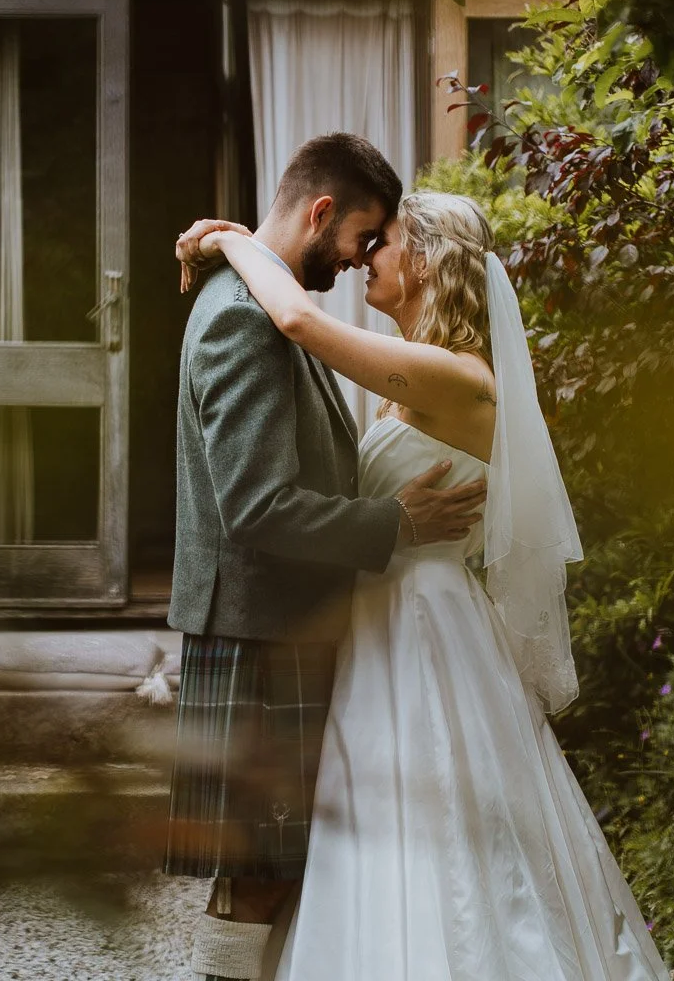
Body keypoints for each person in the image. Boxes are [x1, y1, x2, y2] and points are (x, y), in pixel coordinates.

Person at [174, 191, 672, 980]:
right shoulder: (417, 381)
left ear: (428, 262)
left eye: (384, 242)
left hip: (424, 631)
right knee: (357, 836)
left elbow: (298, 323)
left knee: (430, 829)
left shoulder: (455, 378)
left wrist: (233, 244)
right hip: (380, 622)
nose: (365, 256)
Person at [163, 135, 487, 981]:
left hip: (283, 631)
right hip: (258, 634)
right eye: (360, 238)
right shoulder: (247, 319)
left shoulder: (262, 306)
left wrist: (225, 239)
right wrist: (394, 524)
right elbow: (257, 505)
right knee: (261, 873)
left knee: (275, 869)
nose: (360, 260)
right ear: (321, 212)